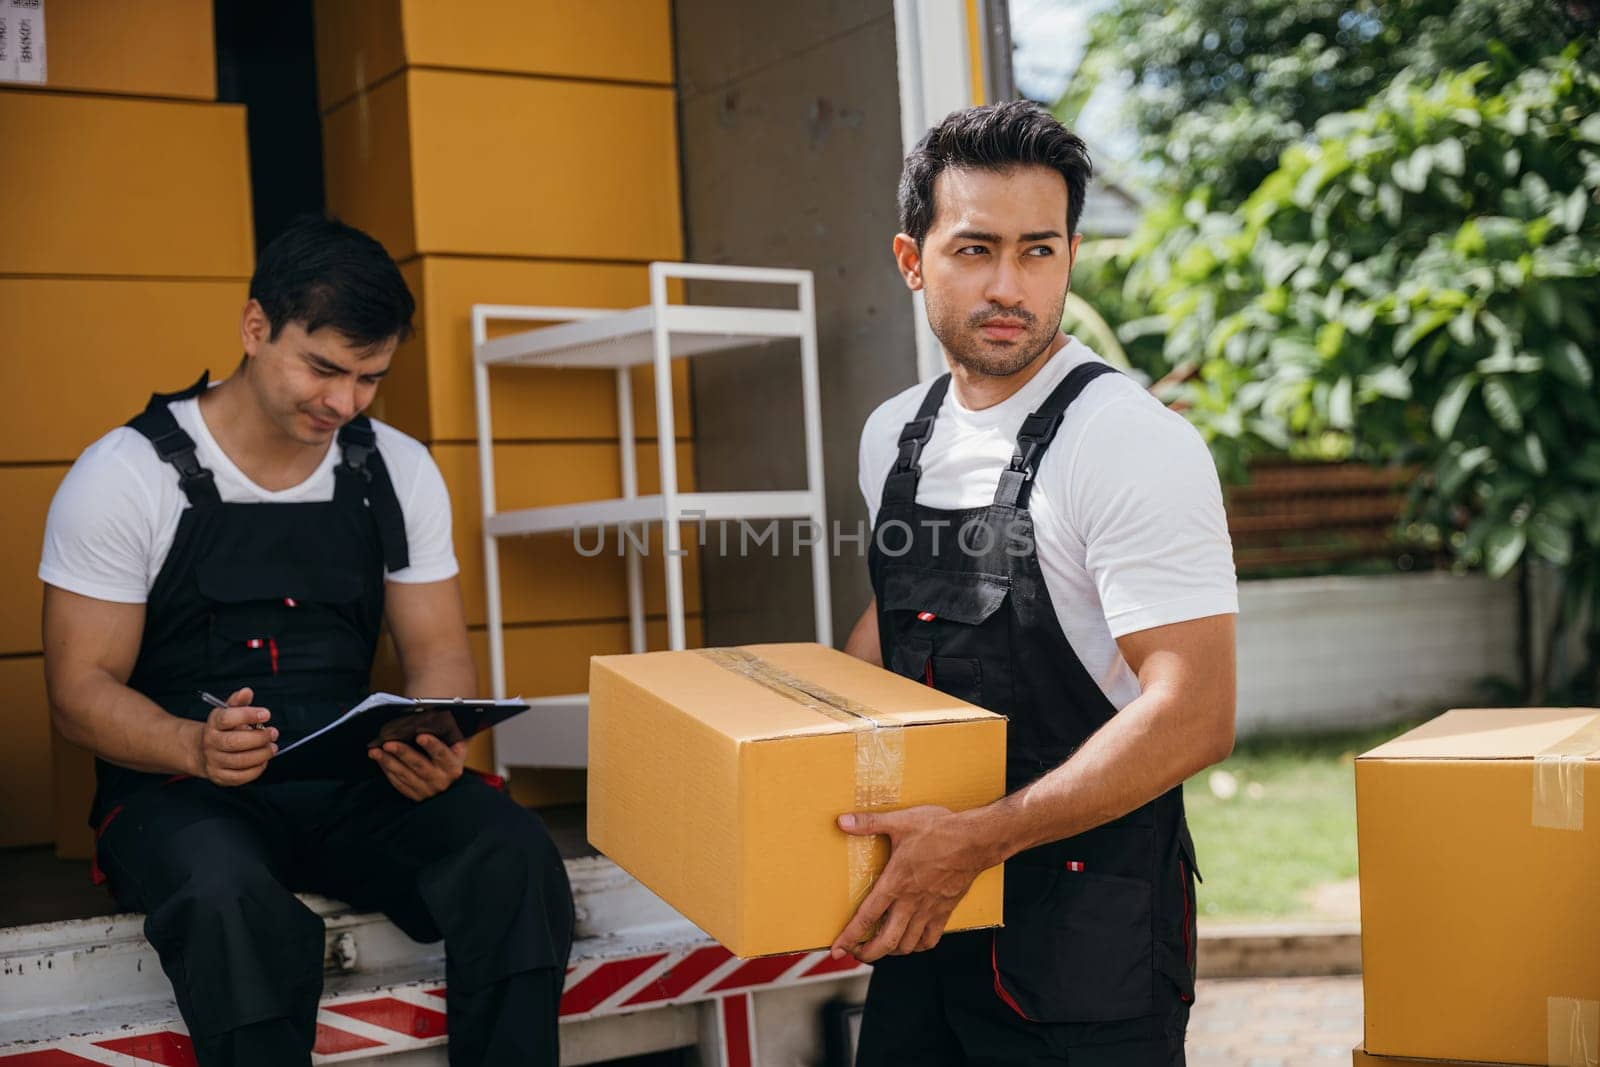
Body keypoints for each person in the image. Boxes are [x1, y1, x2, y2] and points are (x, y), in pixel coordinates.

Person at [39, 216, 574, 1067]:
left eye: (370, 378)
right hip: (182, 789)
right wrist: (192, 744)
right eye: (323, 368)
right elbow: (78, 690)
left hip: (351, 781)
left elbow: (438, 651)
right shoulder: (125, 474)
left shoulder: (395, 468)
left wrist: (434, 733)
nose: (344, 403)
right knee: (226, 900)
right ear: (255, 328)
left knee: (512, 855)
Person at [833, 101, 1238, 1064]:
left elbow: (1194, 712)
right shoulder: (896, 432)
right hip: (928, 914)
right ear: (911, 258)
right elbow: (893, 627)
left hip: (1083, 937)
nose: (1009, 285)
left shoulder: (1128, 442)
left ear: (1070, 254)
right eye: (975, 250)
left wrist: (976, 840)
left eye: (1039, 251)